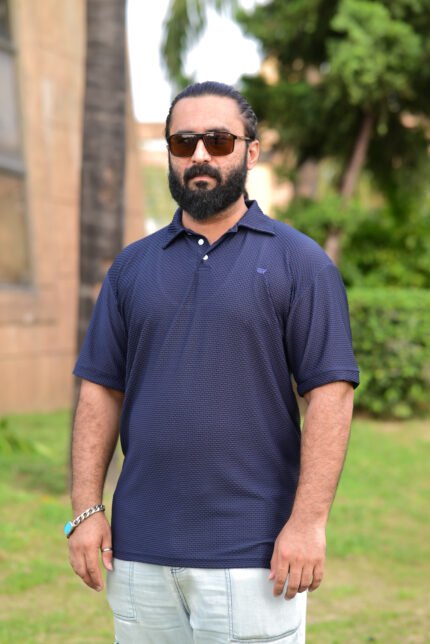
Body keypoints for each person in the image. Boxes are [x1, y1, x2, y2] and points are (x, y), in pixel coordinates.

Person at [67, 81, 359, 643]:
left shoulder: (301, 263)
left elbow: (331, 395)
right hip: (138, 554)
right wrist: (86, 510)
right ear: (171, 155)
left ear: (251, 152)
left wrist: (307, 524)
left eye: (219, 141)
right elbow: (100, 390)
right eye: (184, 142)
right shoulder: (130, 268)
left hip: (254, 556)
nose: (200, 154)